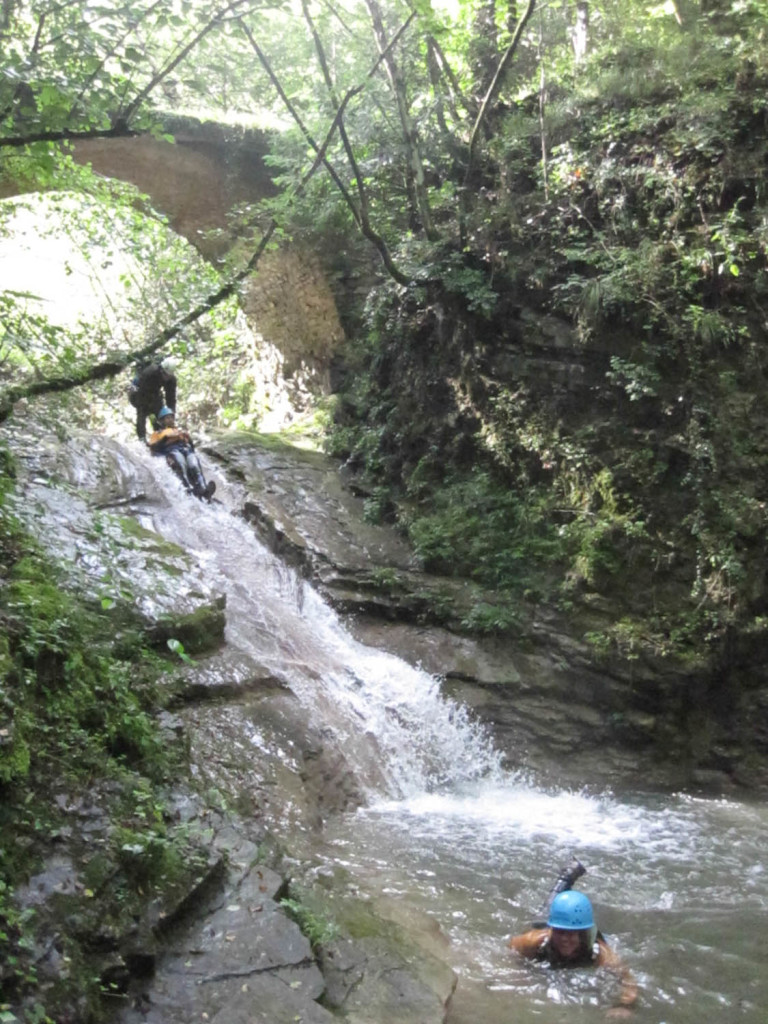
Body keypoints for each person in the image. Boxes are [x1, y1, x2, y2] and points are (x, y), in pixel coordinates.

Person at [508, 890, 638, 1017]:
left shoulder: (601, 954)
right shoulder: (533, 941)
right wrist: (521, 972)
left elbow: (628, 981)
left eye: (570, 933)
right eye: (560, 932)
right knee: (540, 917)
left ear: (582, 934)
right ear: (552, 930)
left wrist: (623, 1006)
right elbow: (510, 951)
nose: (564, 939)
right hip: (545, 926)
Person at [147, 407, 216, 500]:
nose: (170, 420)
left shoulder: (178, 431)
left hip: (185, 449)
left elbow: (191, 446)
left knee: (194, 463)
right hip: (172, 451)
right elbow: (153, 447)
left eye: (171, 417)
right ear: (162, 421)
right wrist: (165, 438)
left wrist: (188, 438)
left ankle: (203, 488)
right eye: (167, 418)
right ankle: (188, 489)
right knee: (180, 462)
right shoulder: (158, 433)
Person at [128, 357, 177, 442]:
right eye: (165, 375)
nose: (166, 378)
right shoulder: (150, 373)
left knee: (161, 413)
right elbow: (142, 395)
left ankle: (164, 434)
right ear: (161, 370)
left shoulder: (171, 379)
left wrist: (171, 415)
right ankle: (142, 438)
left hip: (154, 393)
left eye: (168, 376)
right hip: (138, 392)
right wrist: (152, 413)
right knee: (142, 411)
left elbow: (171, 398)